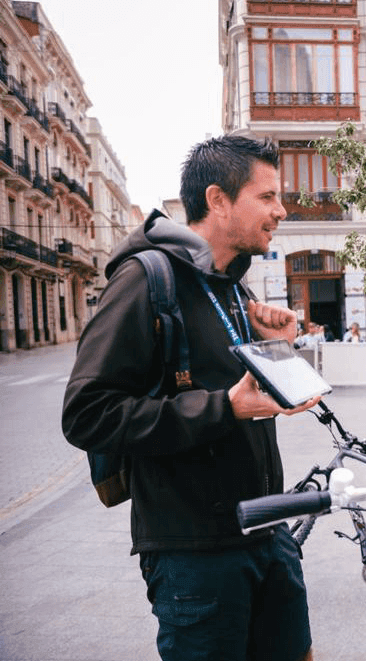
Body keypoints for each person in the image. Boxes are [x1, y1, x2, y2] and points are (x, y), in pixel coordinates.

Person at [62, 136, 320, 661]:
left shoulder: (232, 287)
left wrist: (278, 350)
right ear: (218, 199)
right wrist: (224, 407)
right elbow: (86, 413)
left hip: (267, 534)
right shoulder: (145, 280)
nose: (281, 210)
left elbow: (241, 388)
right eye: (267, 196)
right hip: (195, 555)